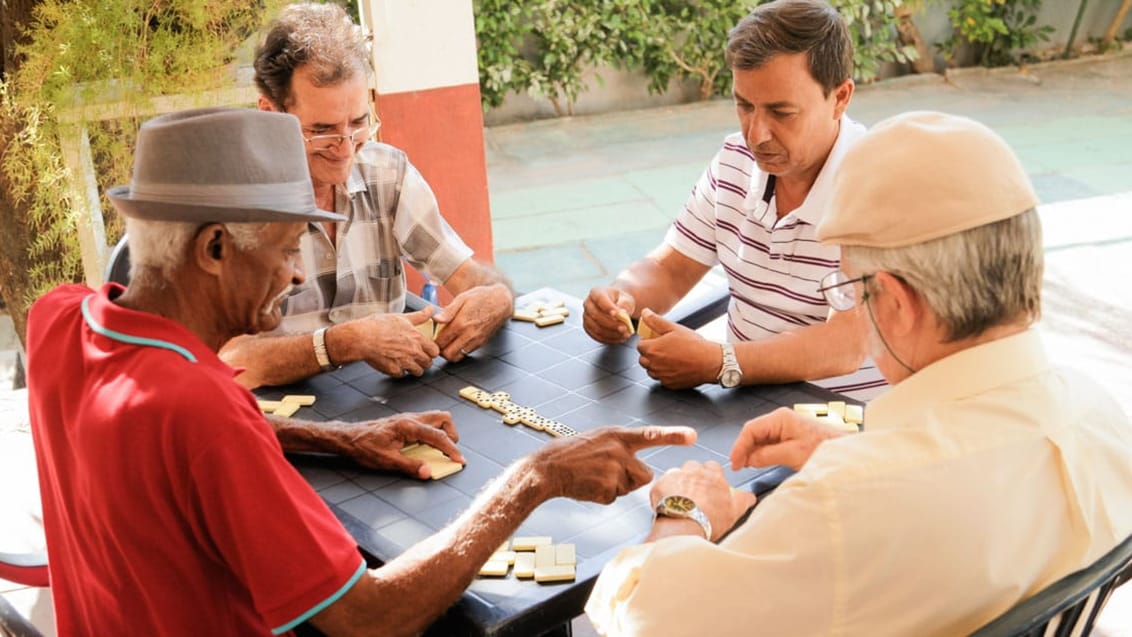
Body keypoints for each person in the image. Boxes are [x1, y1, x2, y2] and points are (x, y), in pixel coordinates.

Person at [25, 107, 696, 636]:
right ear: (215, 246)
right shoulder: (201, 413)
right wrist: (536, 475)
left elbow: (170, 451)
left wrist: (338, 437)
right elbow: (368, 617)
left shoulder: (57, 319)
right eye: (288, 250)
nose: (293, 273)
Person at [583, 110, 1132, 635]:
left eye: (852, 288)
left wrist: (686, 512)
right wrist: (859, 447)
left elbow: (645, 618)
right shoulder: (1102, 416)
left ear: (895, 301)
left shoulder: (844, 506)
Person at [582, 0, 885, 400]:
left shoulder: (878, 183)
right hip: (743, 403)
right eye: (744, 106)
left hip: (842, 422)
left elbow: (848, 342)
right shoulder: (735, 161)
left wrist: (721, 362)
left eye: (782, 112)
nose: (756, 134)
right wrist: (622, 297)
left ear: (841, 97)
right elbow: (672, 268)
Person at [220, 2, 514, 389]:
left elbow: (472, 277)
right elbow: (229, 359)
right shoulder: (233, 207)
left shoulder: (386, 174)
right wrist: (346, 342)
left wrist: (496, 298)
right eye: (322, 130)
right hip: (279, 423)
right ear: (270, 113)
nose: (345, 149)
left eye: (358, 123)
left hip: (385, 405)